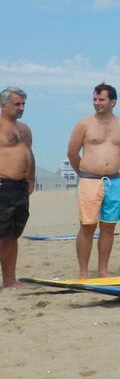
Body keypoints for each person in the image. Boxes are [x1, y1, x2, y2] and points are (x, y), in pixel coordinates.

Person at [67, 83, 120, 278]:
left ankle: (103, 269)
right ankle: (83, 272)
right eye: (95, 99)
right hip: (89, 180)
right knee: (87, 226)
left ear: (113, 102)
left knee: (108, 227)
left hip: (113, 180)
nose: (97, 103)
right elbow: (72, 153)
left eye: (101, 99)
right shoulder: (84, 124)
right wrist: (85, 172)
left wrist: (108, 166)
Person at [0, 87, 34, 288]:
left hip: (20, 187)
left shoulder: (24, 129)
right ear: (4, 105)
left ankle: (10, 279)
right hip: (3, 185)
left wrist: (31, 178)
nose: (21, 108)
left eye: (23, 104)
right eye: (17, 104)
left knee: (13, 234)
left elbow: (29, 153)